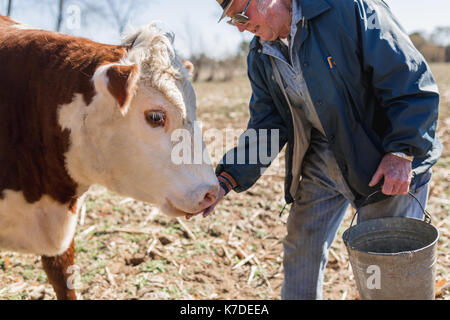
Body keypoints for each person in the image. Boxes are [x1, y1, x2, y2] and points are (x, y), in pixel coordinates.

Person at [193, 0, 442, 300]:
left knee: (386, 267)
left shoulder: (347, 9)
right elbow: (266, 127)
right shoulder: (261, 55)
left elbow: (410, 80)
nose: (242, 28)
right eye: (233, 21)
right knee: (301, 246)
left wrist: (402, 152)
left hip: (382, 155)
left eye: (242, 15)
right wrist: (227, 179)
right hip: (322, 157)